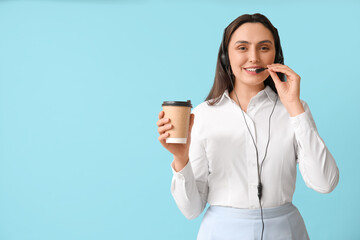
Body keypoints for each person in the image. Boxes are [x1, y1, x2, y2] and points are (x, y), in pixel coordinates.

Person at [156, 13, 339, 240]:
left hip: (285, 232)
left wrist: (294, 108)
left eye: (264, 48)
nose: (254, 58)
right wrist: (181, 159)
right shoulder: (203, 115)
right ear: (225, 56)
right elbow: (191, 210)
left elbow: (325, 183)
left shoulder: (294, 109)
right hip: (222, 233)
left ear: (276, 55)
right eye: (242, 48)